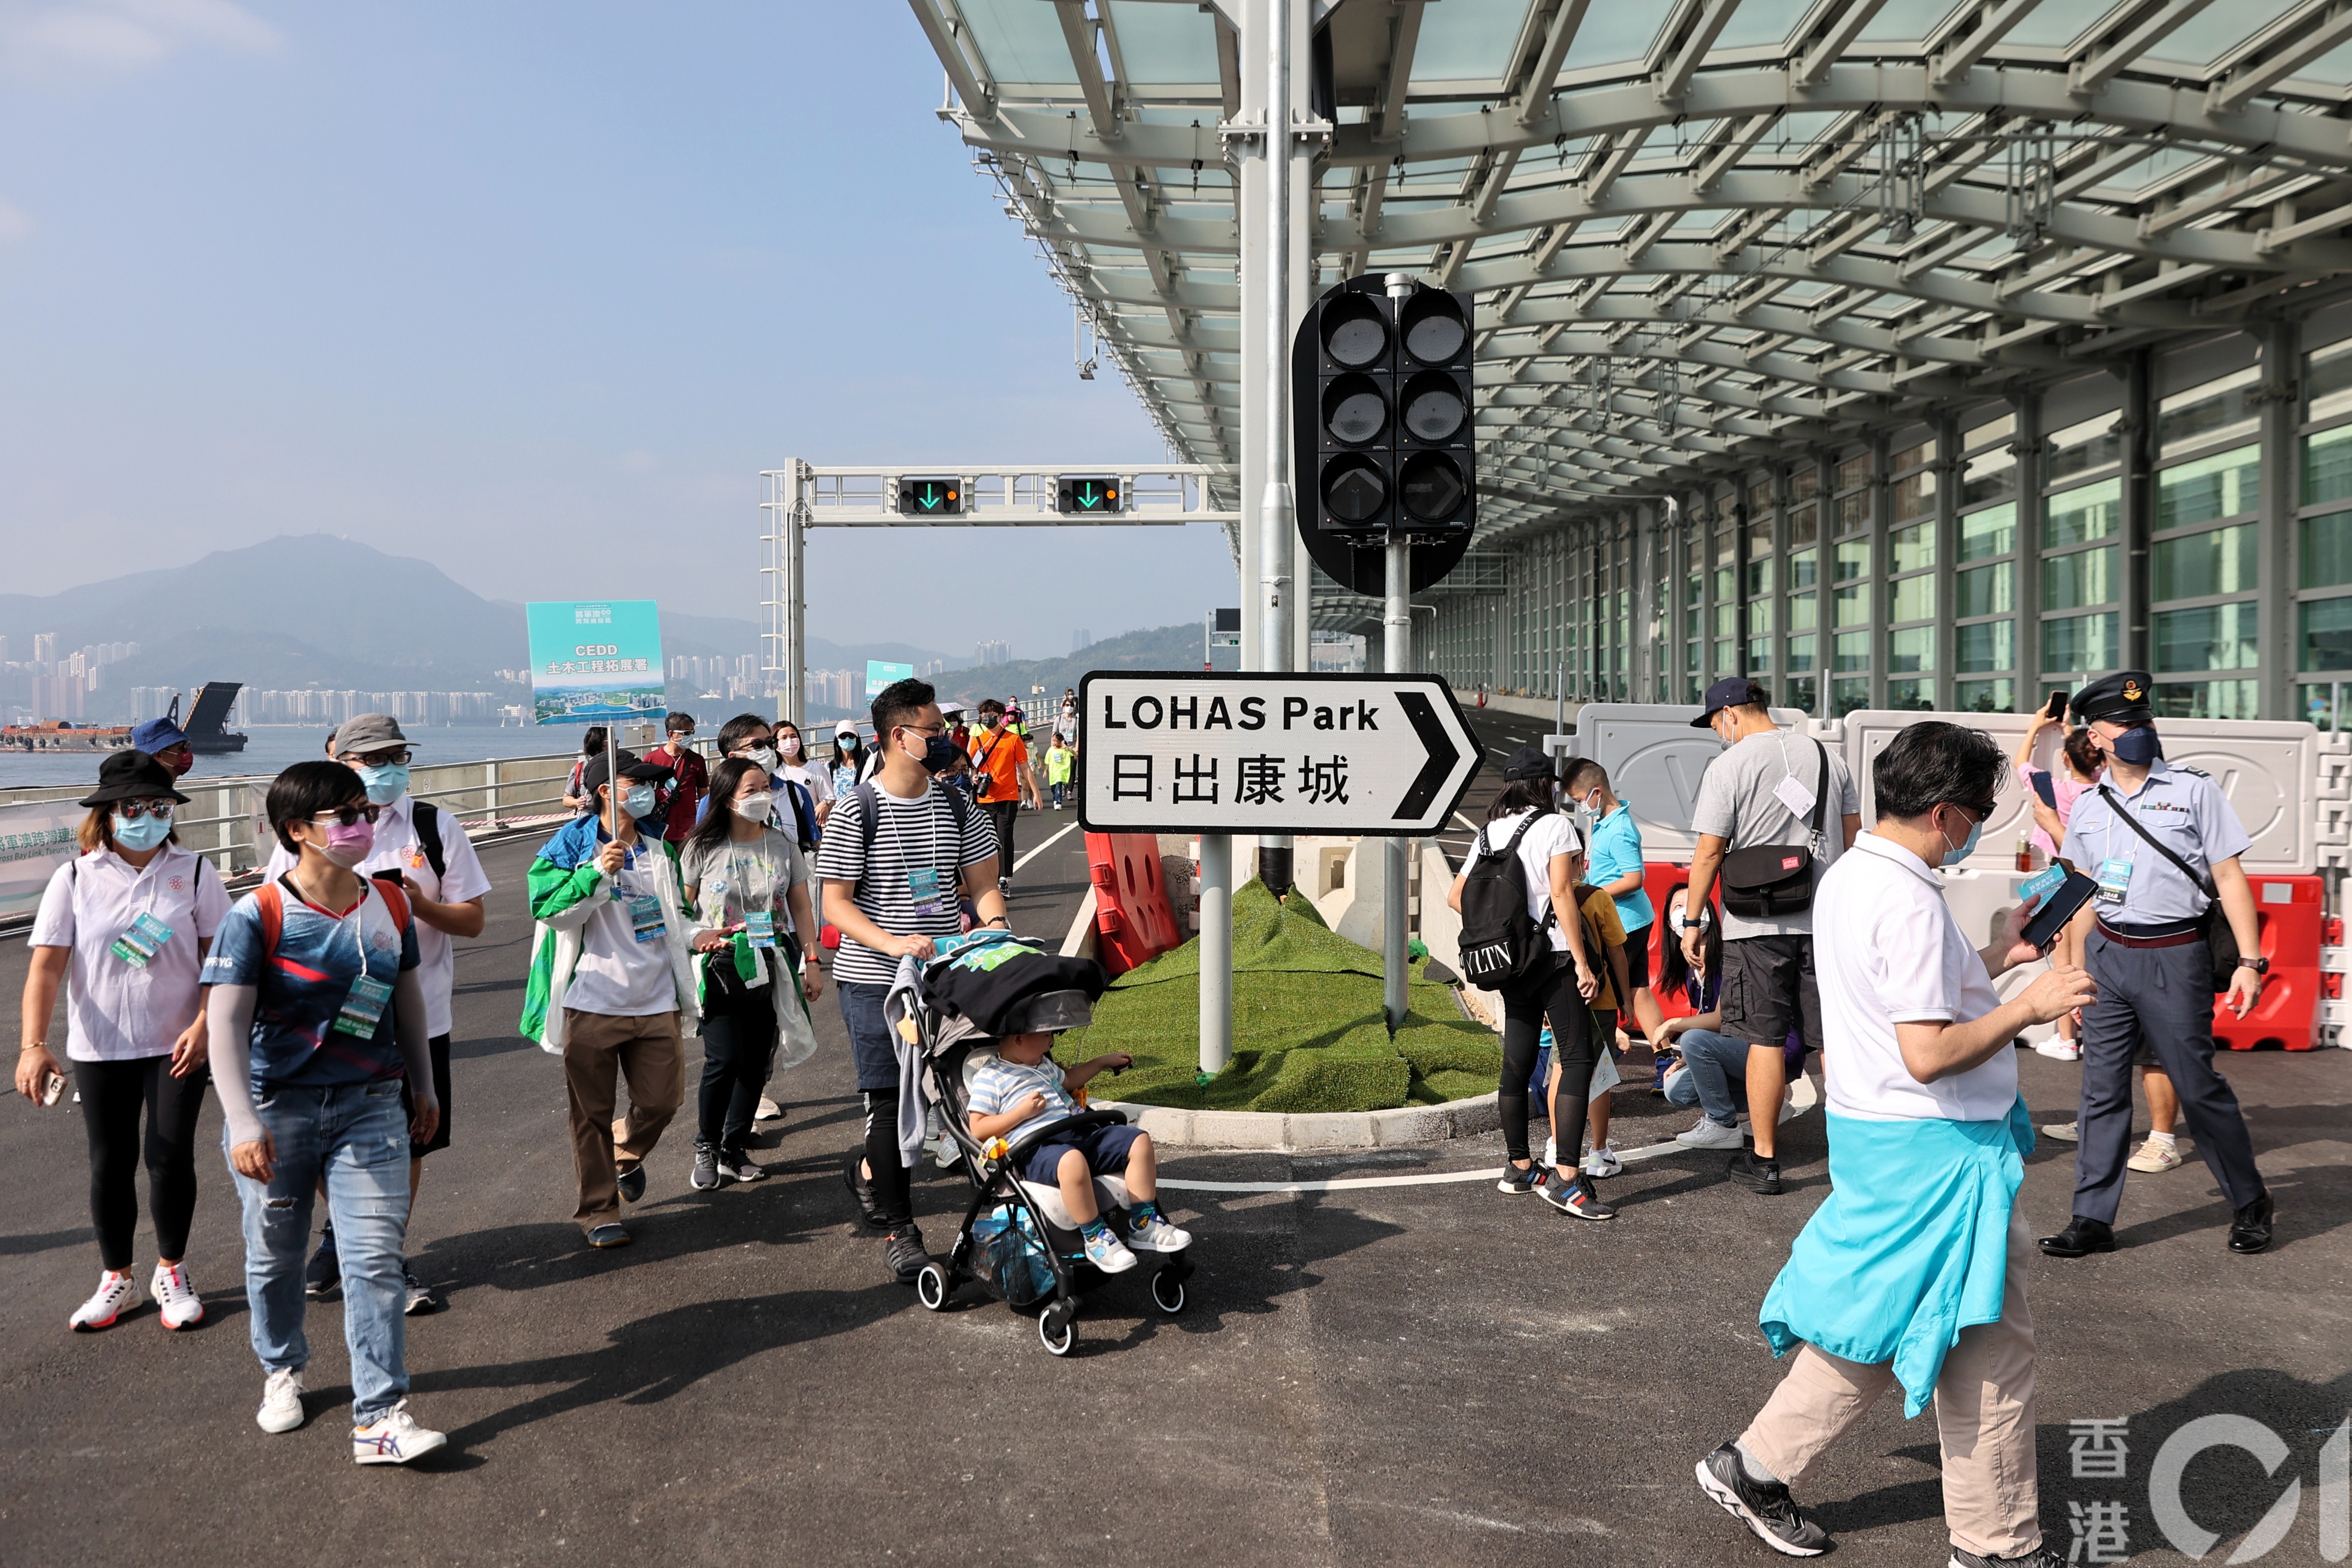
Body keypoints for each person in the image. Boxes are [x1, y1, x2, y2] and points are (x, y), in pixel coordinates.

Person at [1694, 720, 2093, 1567]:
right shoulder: (1909, 896)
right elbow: (1930, 1049)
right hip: (1938, 1146)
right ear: (1945, 812)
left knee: (1881, 1322)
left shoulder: (1852, 875)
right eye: (1981, 808)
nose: (1983, 821)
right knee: (1986, 1344)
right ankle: (1997, 1546)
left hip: (1880, 1133)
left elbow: (1911, 999)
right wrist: (2032, 1002)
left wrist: (2001, 954)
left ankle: (1756, 1463)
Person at [201, 760, 447, 1462]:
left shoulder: (391, 904)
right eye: (344, 818)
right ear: (298, 832)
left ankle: (380, 1417)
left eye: (363, 813)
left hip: (372, 1103)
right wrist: (244, 1122)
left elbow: (407, 1002)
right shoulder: (258, 915)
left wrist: (422, 1086)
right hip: (280, 1107)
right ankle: (282, 1367)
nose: (362, 827)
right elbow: (225, 1025)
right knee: (276, 1253)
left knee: (374, 1258)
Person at [2037, 671, 2276, 1259]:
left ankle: (2249, 1201)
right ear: (2095, 737)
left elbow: (2228, 877)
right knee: (2099, 1091)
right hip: (2108, 957)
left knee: (2196, 1086)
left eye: (2143, 719)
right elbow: (2082, 891)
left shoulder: (2194, 790)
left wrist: (2249, 961)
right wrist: (2066, 963)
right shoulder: (2089, 806)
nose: (2138, 729)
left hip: (2174, 955)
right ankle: (2090, 1217)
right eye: (2124, 722)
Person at [263, 715, 490, 1316]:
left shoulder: (432, 827)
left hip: (417, 1018)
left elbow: (472, 919)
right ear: (341, 759)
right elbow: (273, 914)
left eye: (397, 755)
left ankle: (380, 1252)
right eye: (372, 758)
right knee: (318, 1143)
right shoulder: (312, 831)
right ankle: (346, 1234)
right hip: (323, 1025)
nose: (388, 768)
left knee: (408, 1145)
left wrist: (418, 907)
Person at [18, 749, 229, 1332]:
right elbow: (45, 969)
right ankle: (117, 1278)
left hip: (178, 1042)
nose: (148, 815)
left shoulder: (196, 871)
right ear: (109, 814)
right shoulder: (75, 878)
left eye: (160, 805)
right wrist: (33, 1045)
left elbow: (222, 958)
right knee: (109, 1163)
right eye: (134, 806)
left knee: (168, 1156)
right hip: (99, 1046)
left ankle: (172, 1270)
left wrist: (206, 1022)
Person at [814, 677, 1007, 1284]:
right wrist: (891, 942)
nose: (947, 739)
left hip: (945, 975)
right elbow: (835, 904)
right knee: (888, 1103)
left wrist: (996, 927)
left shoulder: (956, 804)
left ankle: (870, 1176)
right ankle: (902, 1232)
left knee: (963, 1092)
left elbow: (982, 882)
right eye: (934, 731)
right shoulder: (856, 809)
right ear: (899, 737)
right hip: (875, 980)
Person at [1680, 678, 1860, 1197]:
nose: (1718, 733)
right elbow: (1853, 838)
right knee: (1831, 1040)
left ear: (1731, 714)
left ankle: (1764, 1162)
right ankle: (1852, 1154)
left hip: (1754, 926)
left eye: (1715, 723)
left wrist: (1692, 922)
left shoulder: (1729, 766)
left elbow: (1710, 852)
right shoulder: (1830, 761)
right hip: (1822, 920)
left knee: (1763, 1037)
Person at [517, 748, 699, 1250]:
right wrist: (594, 871)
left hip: (656, 996)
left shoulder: (661, 846)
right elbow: (547, 910)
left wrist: (699, 935)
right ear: (604, 791)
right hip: (592, 999)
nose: (649, 791)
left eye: (651, 784)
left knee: (663, 1101)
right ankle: (598, 1211)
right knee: (589, 1114)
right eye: (636, 783)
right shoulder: (568, 844)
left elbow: (677, 914)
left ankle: (624, 1152)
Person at [1445, 745, 1613, 1220]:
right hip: (1555, 959)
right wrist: (1582, 962)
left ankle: (1518, 1167)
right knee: (1576, 1060)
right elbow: (1562, 892)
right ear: (1544, 786)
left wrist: (1509, 931)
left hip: (1510, 963)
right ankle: (1565, 1180)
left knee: (1516, 1064)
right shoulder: (1555, 826)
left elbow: (1457, 897)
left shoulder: (1487, 833)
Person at [679, 758, 823, 1189]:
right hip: (720, 966)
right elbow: (682, 912)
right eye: (751, 790)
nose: (762, 795)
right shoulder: (701, 849)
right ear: (726, 798)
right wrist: (698, 937)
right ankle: (706, 1144)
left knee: (757, 1062)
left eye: (766, 787)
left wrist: (811, 962)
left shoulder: (782, 845)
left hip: (771, 962)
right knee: (723, 1058)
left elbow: (801, 908)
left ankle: (733, 1148)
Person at [965, 1004, 1191, 1273]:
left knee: (1138, 1140)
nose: (1051, 1042)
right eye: (1047, 1036)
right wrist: (1021, 1113)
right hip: (1037, 1148)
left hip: (1077, 1134)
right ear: (1019, 1039)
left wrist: (1102, 1062)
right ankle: (1095, 1237)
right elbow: (978, 1128)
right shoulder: (991, 1077)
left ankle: (1143, 1223)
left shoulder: (1042, 1065)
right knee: (1072, 1161)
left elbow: (1069, 1080)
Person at [2014, 711, 2104, 1061]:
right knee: (2084, 960)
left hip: (2062, 876)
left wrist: (2037, 726)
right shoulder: (2104, 791)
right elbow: (2086, 759)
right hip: (2094, 881)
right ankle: (2088, 1035)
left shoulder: (2053, 788)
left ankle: (2066, 1040)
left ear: (2065, 758)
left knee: (2062, 960)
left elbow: (2021, 761)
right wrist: (2071, 733)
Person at [1565, 759, 1665, 1049]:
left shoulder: (1619, 830)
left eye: (1580, 800)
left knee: (1604, 990)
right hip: (1631, 918)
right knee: (1638, 989)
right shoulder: (1606, 822)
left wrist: (1593, 895)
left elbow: (1634, 878)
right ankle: (1665, 1056)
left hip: (1624, 922)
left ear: (1597, 792)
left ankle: (1606, 1052)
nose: (1580, 806)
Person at [1544, 848, 1632, 1177]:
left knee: (1561, 1068)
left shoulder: (1541, 898)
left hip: (1557, 997)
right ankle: (1598, 1154)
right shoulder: (1596, 898)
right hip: (1599, 998)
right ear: (1578, 858)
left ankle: (1555, 1146)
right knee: (1598, 1075)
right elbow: (1617, 951)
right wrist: (1626, 998)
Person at [968, 699, 1038, 896]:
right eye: (983, 715)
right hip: (985, 798)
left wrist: (1036, 794)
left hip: (1008, 796)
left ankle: (1003, 879)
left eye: (990, 714)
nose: (986, 718)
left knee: (1004, 837)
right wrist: (974, 776)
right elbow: (971, 767)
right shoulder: (977, 741)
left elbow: (1024, 768)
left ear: (1001, 717)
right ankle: (990, 878)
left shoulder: (1013, 740)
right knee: (986, 840)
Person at [647, 711, 707, 846]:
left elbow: (704, 795)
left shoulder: (697, 761)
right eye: (686, 733)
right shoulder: (651, 759)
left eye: (692, 732)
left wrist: (705, 823)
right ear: (671, 734)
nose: (690, 737)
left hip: (688, 830)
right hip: (658, 827)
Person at [773, 719, 834, 830]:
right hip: (782, 830)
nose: (790, 741)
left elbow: (830, 798)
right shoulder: (773, 773)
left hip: (810, 829)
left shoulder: (816, 768)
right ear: (775, 743)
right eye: (784, 738)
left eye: (793, 736)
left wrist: (825, 804)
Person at [127, 715, 197, 779]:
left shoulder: (140, 784)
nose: (187, 754)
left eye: (187, 745)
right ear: (159, 755)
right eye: (182, 748)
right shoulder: (150, 791)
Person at [561, 727, 609, 813]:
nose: (617, 746)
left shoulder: (619, 766)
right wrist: (577, 802)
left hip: (613, 821)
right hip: (588, 822)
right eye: (613, 742)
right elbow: (567, 799)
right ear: (602, 746)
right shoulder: (580, 768)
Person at [830, 721, 870, 795]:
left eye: (851, 736)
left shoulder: (865, 765)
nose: (847, 739)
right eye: (843, 737)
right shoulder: (830, 767)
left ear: (857, 738)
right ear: (837, 739)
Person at [1044, 731, 1075, 809]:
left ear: (1060, 741)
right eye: (1053, 740)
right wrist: (1045, 771)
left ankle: (1059, 803)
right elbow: (1047, 761)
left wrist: (1067, 748)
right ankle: (1055, 799)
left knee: (1059, 787)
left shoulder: (1065, 750)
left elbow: (1074, 754)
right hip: (1053, 773)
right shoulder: (1051, 750)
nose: (1054, 742)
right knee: (1053, 789)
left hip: (1061, 772)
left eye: (1056, 741)